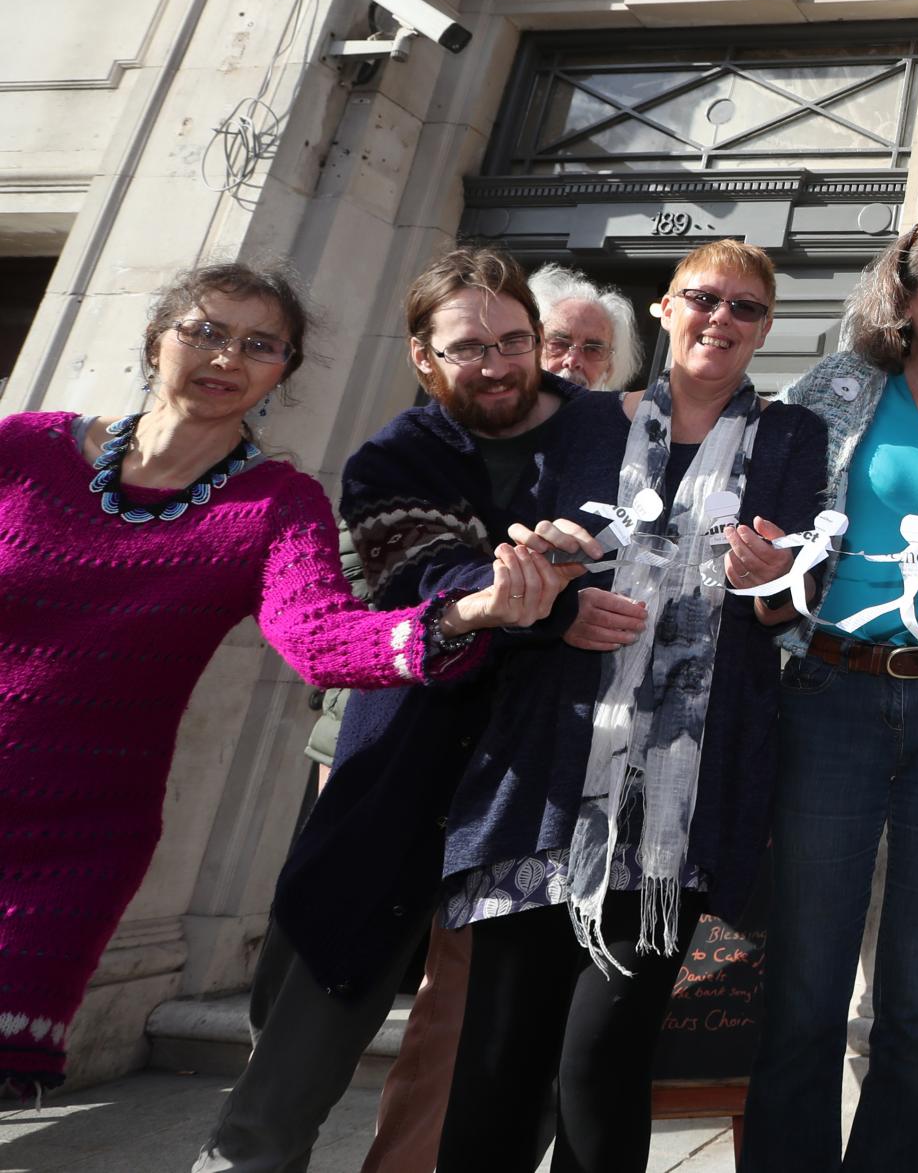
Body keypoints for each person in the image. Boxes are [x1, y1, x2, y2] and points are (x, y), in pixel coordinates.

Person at [0, 261, 571, 1096]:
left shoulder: (277, 504)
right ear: (157, 338)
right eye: (205, 330)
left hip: (77, 835)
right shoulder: (22, 447)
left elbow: (320, 638)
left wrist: (462, 614)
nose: (227, 356)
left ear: (283, 372)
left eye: (259, 344)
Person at [192, 247, 594, 1173]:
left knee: (500, 1068)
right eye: (467, 348)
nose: (495, 363)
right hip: (402, 772)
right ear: (422, 357)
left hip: (545, 789)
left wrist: (541, 597)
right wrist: (548, 600)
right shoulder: (397, 454)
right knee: (290, 1059)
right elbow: (421, 580)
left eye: (513, 340)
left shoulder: (608, 432)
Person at [436, 239, 827, 1173]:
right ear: (664, 309)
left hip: (677, 803)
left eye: (745, 309)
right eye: (704, 298)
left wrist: (770, 580)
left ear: (765, 328)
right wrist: (562, 608)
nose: (721, 320)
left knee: (601, 1054)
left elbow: (785, 612)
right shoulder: (577, 421)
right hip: (549, 776)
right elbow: (512, 574)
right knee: (498, 1058)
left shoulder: (791, 437)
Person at [743, 213, 918, 1173]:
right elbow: (755, 494)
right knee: (807, 981)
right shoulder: (837, 389)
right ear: (905, 296)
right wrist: (763, 567)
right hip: (833, 695)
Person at [532, 263, 643, 391]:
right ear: (534, 347)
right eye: (560, 344)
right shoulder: (506, 408)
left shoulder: (620, 411)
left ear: (610, 367)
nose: (573, 361)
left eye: (593, 350)